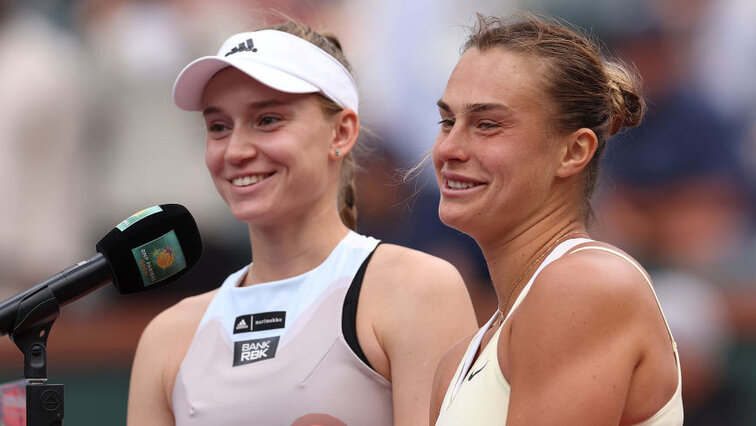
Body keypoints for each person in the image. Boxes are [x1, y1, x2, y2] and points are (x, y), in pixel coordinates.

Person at [126, 20, 477, 426]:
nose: (235, 150)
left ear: (341, 133)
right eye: (218, 127)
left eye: (268, 120)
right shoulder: (166, 337)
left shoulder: (418, 290)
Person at [429, 14, 683, 425]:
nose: (448, 149)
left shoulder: (585, 286)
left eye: (487, 125)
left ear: (573, 151)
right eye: (447, 122)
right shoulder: (456, 362)